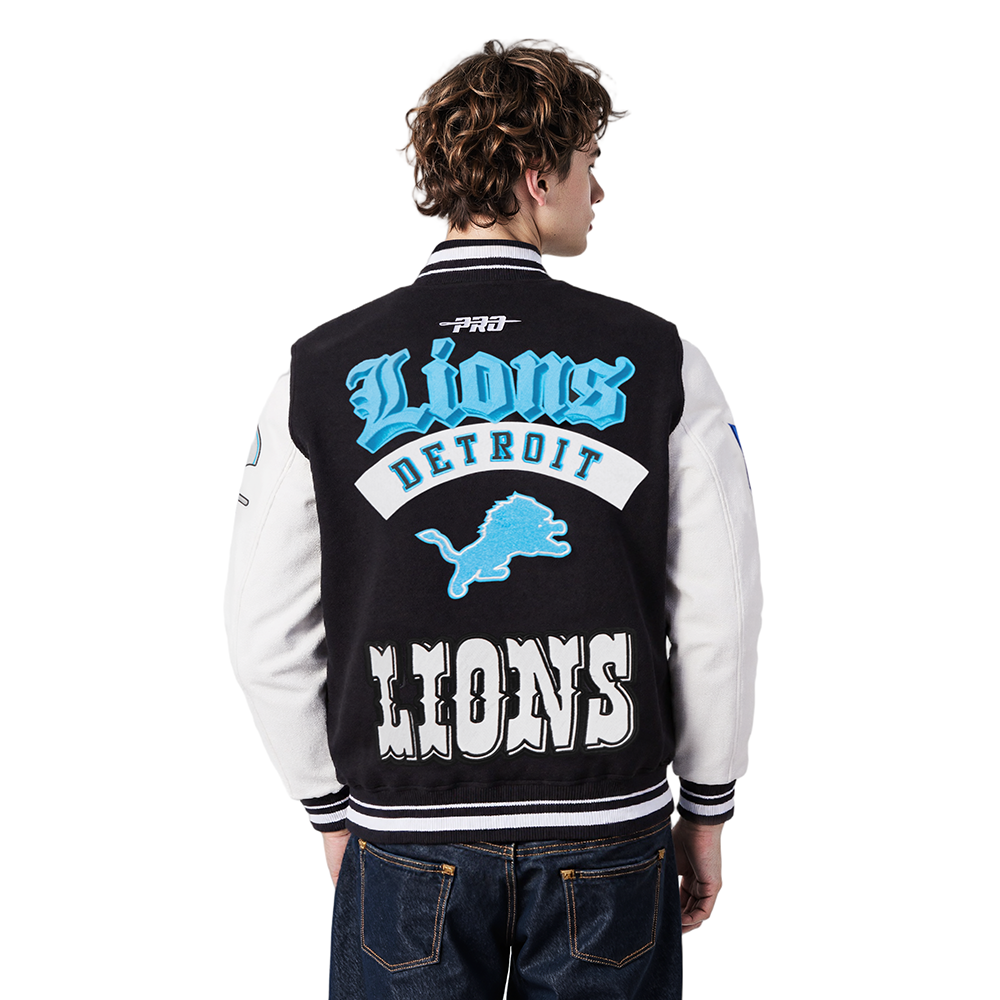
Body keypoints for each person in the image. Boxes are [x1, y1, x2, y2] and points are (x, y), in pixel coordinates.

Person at [225, 39, 761, 1000]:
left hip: (407, 830)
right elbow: (720, 613)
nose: (600, 192)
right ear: (536, 174)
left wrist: (333, 812)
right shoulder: (660, 358)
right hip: (608, 826)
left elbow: (263, 633)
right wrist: (708, 806)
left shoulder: (318, 368)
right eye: (590, 164)